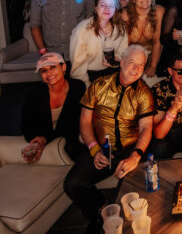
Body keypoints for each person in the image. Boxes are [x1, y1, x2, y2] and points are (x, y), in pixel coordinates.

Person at [63, 45, 155, 234]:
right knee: (72, 183)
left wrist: (135, 156)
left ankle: (132, 225)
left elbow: (147, 128)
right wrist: (94, 149)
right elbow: (85, 121)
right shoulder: (99, 85)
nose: (136, 69)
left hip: (131, 148)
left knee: (136, 189)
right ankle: (99, 209)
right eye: (132, 63)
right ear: (121, 62)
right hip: (101, 148)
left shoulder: (144, 92)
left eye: (141, 65)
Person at [20, 52, 86, 161]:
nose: (49, 73)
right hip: (45, 139)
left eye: (53, 67)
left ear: (63, 67)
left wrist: (45, 139)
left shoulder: (78, 87)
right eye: (44, 70)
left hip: (71, 140)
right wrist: (37, 141)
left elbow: (72, 125)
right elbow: (25, 125)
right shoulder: (34, 94)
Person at [69, 0, 129, 87]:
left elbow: (123, 52)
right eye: (103, 5)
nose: (107, 9)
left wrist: (116, 60)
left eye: (111, 6)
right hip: (89, 76)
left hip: (114, 73)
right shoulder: (82, 30)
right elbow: (77, 67)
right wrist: (87, 86)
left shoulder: (121, 28)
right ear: (95, 8)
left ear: (115, 9)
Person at [124, 0, 165, 78]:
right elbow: (124, 46)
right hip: (131, 57)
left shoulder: (159, 11)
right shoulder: (125, 15)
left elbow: (157, 41)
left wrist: (153, 66)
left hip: (152, 56)